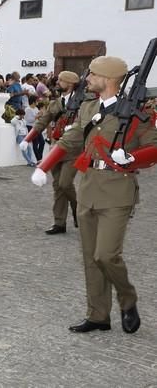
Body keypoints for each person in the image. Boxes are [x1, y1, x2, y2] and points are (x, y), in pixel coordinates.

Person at [31, 56, 157, 334]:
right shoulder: (89, 107)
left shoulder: (138, 113)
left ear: (108, 79)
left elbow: (155, 146)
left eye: (92, 75)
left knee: (106, 255)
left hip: (117, 191)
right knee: (90, 257)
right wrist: (44, 166)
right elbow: (72, 138)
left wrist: (131, 157)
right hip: (88, 188)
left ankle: (127, 298)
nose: (87, 79)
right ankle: (98, 315)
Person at [22, 71, 81, 234]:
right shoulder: (56, 103)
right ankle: (59, 222)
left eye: (61, 80)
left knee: (65, 183)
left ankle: (78, 209)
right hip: (56, 147)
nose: (57, 83)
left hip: (73, 149)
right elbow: (43, 120)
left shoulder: (83, 103)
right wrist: (27, 138)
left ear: (70, 84)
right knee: (57, 186)